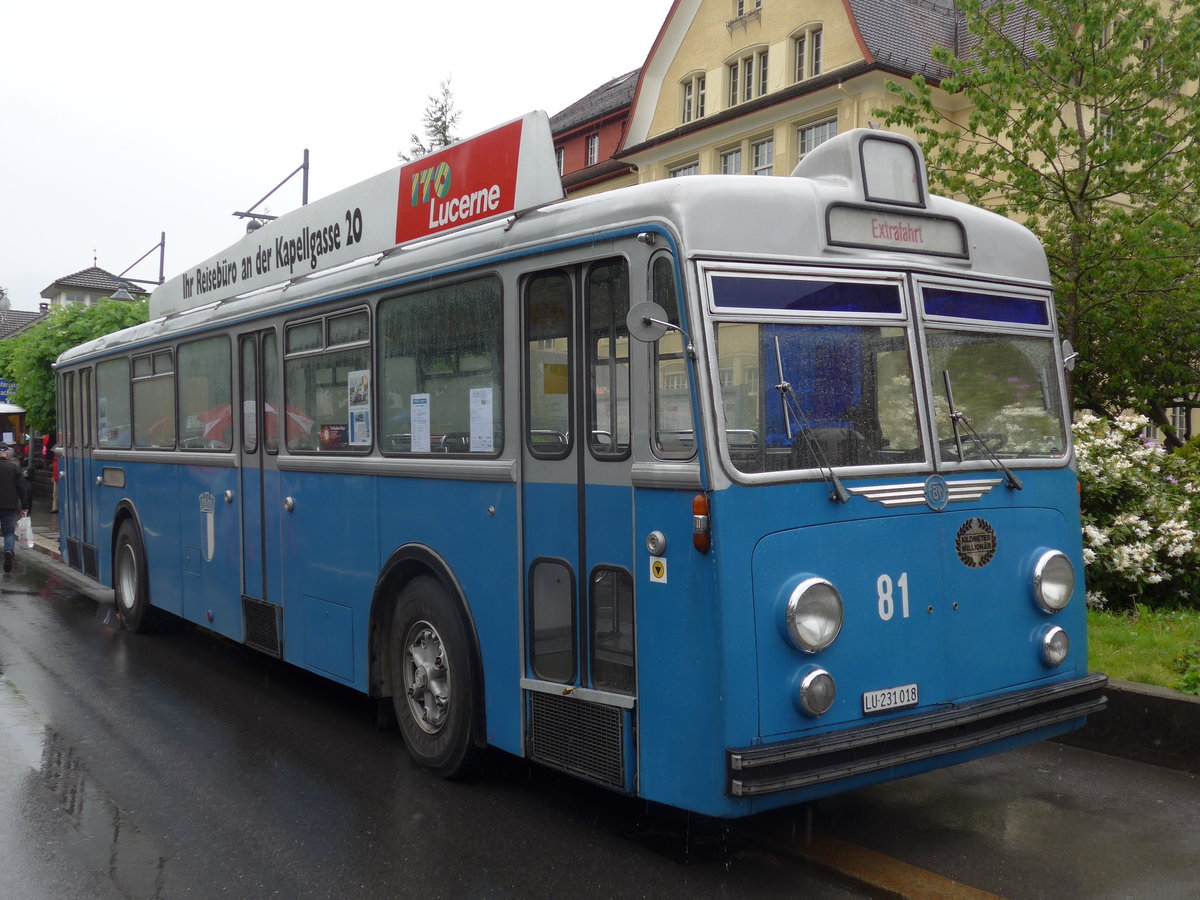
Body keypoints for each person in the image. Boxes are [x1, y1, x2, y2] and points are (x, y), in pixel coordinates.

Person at [0, 443, 31, 572]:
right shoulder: (14, 468)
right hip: (9, 505)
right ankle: (8, 551)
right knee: (9, 532)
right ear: (7, 454)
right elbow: (22, 488)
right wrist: (25, 506)